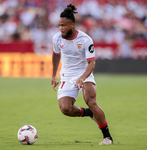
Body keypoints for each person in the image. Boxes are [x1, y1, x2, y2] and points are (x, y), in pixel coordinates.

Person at [51, 4, 113, 145]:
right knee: (65, 108)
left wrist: (82, 78)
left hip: (84, 73)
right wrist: (54, 75)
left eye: (64, 25)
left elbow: (91, 64)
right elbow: (55, 55)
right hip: (67, 75)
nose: (61, 28)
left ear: (72, 25)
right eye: (59, 25)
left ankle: (107, 137)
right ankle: (89, 113)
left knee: (90, 101)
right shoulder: (57, 38)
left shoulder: (85, 40)